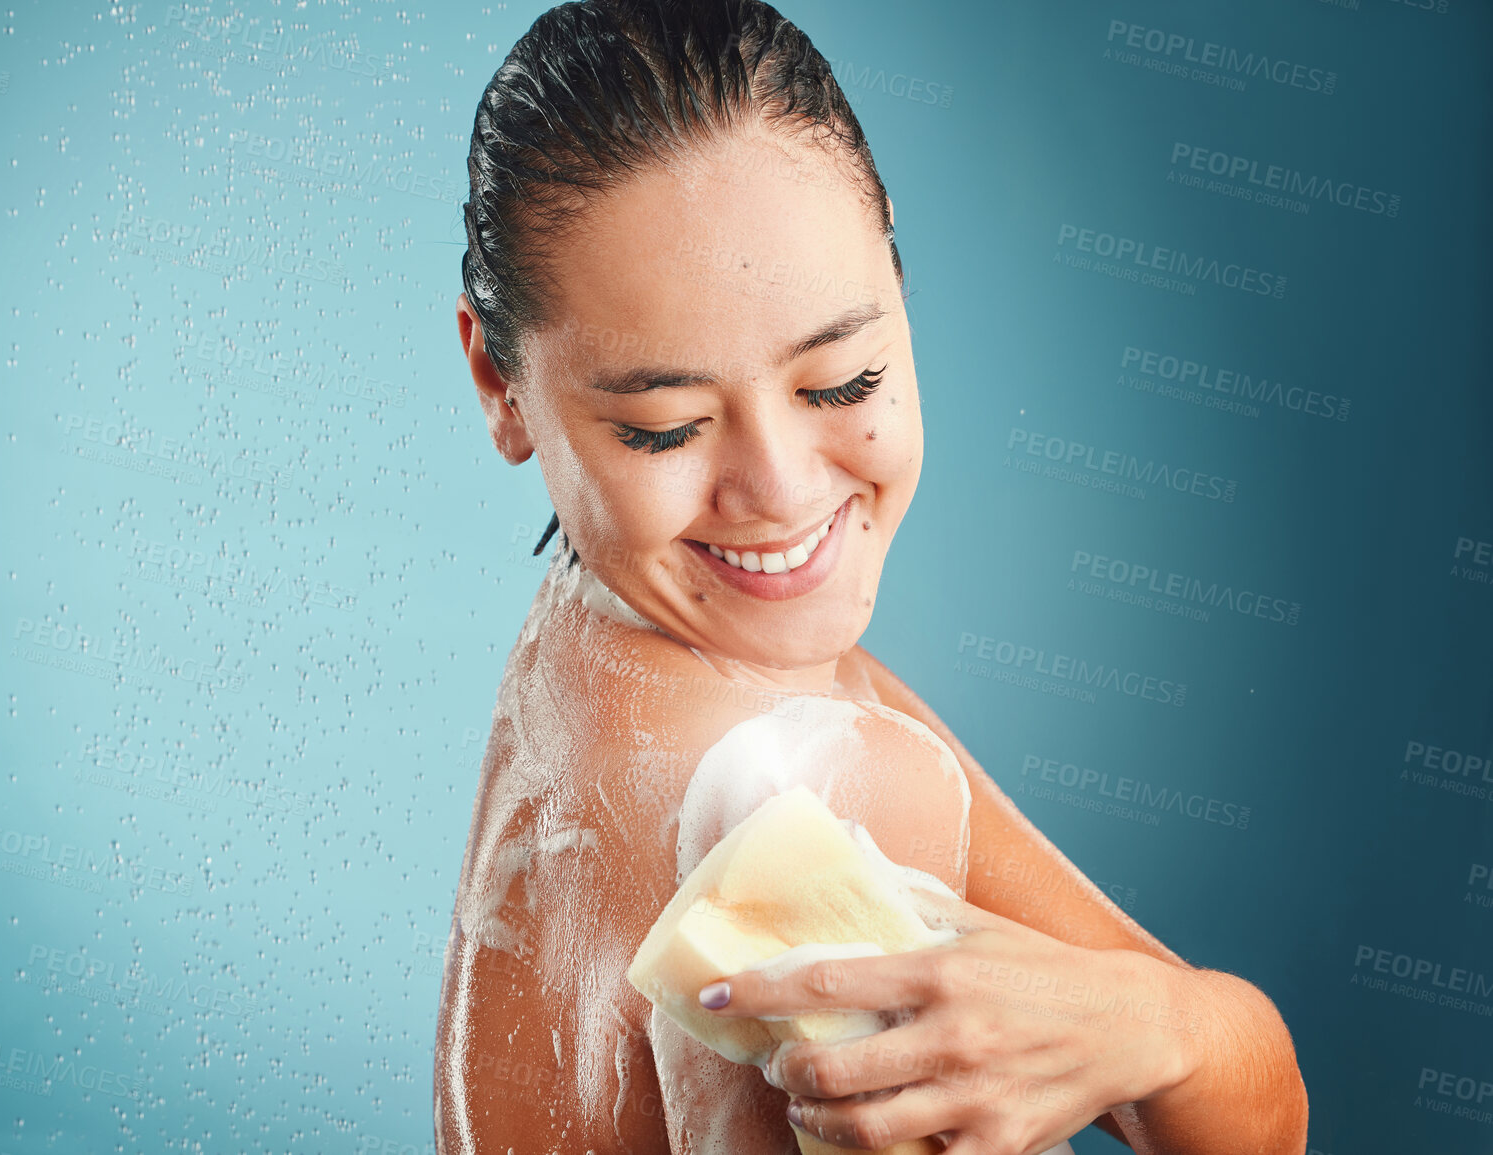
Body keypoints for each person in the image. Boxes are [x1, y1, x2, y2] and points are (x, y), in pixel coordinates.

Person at [434, 1, 1309, 1152]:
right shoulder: (797, 791)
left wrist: (1164, 1025)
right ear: (502, 388)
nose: (783, 493)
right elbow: (1261, 1126)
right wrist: (1176, 1030)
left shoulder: (604, 633)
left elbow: (1223, 1079)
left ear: (896, 266)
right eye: (665, 427)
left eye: (842, 383)